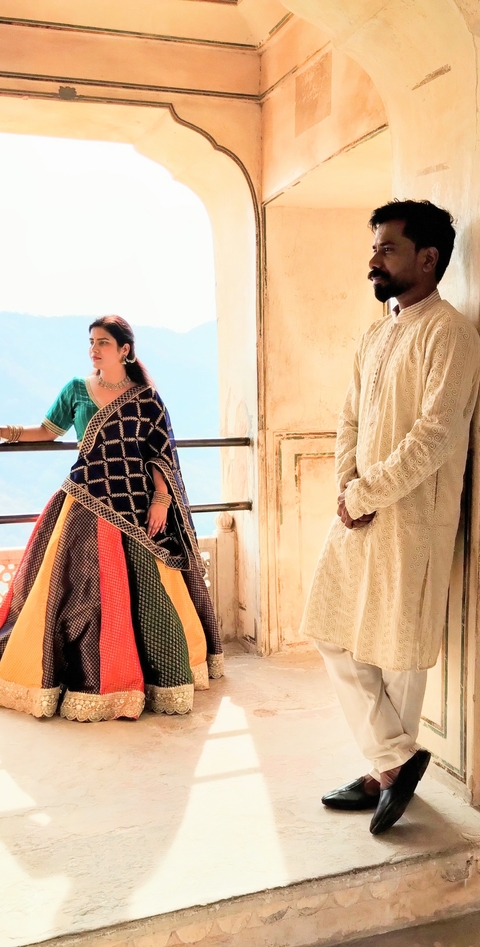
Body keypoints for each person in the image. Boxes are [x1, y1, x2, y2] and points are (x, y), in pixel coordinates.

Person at [302, 200, 480, 834]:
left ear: (427, 258)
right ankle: (396, 760)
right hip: (362, 508)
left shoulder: (451, 334)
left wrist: (367, 492)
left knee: (398, 653)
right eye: (375, 247)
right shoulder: (378, 332)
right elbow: (350, 418)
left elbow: (434, 437)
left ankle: (386, 773)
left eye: (387, 248)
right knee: (330, 627)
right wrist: (347, 484)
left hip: (413, 516)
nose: (373, 259)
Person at [0, 315, 223, 722]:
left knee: (148, 593)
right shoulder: (76, 390)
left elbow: (160, 455)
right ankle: (81, 676)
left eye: (103, 342)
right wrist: (6, 431)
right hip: (85, 500)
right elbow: (48, 431)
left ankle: (163, 680)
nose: (94, 349)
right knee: (78, 590)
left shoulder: (147, 398)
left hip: (137, 508)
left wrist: (161, 500)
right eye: (91, 342)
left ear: (125, 349)